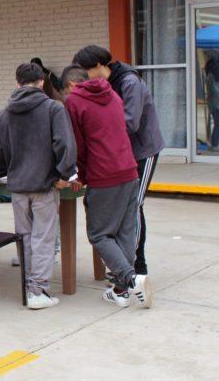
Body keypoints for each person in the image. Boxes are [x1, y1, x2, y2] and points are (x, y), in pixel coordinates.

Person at [0, 63, 77, 310]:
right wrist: (64, 174)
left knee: (26, 237)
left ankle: (29, 287)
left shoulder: (5, 114)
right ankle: (37, 290)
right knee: (44, 238)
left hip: (18, 187)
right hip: (45, 184)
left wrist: (7, 171)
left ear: (17, 83)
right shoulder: (53, 109)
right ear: (41, 82)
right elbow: (65, 146)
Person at [72, 45, 164, 275]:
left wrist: (98, 131)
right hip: (120, 155)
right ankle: (124, 268)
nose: (84, 76)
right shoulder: (104, 85)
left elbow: (130, 123)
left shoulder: (129, 82)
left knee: (134, 207)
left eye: (86, 70)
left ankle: (137, 266)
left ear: (98, 66)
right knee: (122, 212)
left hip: (143, 150)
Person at [65, 75, 152, 308]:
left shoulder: (74, 101)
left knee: (99, 234)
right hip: (129, 170)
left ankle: (131, 279)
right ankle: (121, 291)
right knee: (124, 232)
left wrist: (81, 175)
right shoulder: (112, 94)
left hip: (104, 175)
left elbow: (78, 145)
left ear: (72, 84)